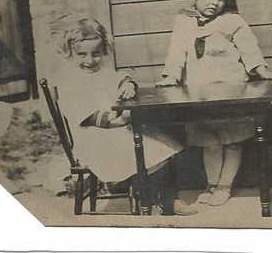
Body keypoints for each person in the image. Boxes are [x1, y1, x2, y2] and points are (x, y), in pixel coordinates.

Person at [157, 0, 272, 206]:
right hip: (201, 95)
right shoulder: (184, 22)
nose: (216, 2)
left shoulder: (232, 21)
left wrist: (261, 70)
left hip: (232, 92)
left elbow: (249, 48)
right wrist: (171, 75)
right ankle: (211, 185)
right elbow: (176, 53)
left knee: (233, 140)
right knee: (209, 142)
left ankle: (225, 186)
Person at [54, 16, 196, 215]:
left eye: (96, 54)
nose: (89, 60)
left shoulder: (101, 72)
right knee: (151, 151)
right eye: (82, 54)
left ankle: (162, 198)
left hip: (115, 134)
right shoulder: (70, 82)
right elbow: (93, 117)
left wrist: (127, 84)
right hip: (95, 141)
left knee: (162, 143)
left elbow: (119, 77)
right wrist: (121, 120)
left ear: (104, 51)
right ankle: (157, 199)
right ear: (70, 52)